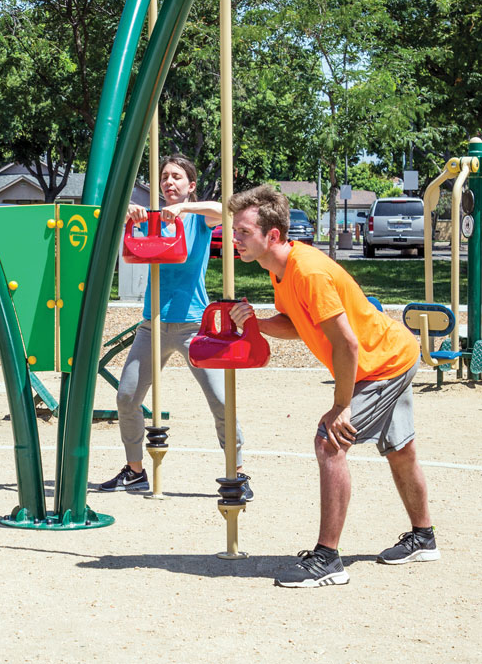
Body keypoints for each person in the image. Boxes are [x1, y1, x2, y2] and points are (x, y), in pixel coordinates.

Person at [227, 185, 439, 588]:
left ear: (273, 235)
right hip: (392, 353)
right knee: (400, 450)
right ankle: (423, 538)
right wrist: (254, 322)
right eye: (235, 231)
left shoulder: (308, 272)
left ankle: (327, 559)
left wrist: (341, 405)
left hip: (382, 363)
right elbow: (297, 323)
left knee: (330, 440)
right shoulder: (280, 269)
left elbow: (346, 344)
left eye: (243, 232)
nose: (235, 238)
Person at [99, 153, 251, 497]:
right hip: (152, 324)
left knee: (221, 401)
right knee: (126, 397)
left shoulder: (197, 220)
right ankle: (136, 471)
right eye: (164, 177)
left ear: (190, 185)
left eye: (177, 177)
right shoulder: (151, 218)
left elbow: (224, 210)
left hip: (193, 325)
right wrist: (131, 213)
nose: (169, 182)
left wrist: (185, 209)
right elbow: (115, 223)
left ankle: (238, 472)